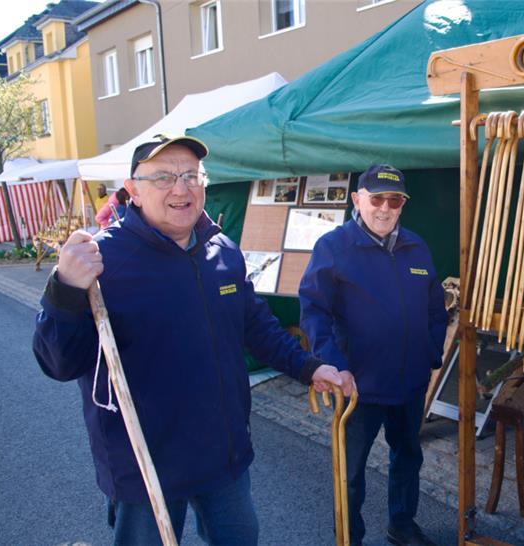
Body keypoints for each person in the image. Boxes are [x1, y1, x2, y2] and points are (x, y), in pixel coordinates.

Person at [33, 134, 349, 545]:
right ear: (132, 190)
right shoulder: (103, 261)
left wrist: (309, 367)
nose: (181, 189)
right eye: (163, 177)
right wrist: (65, 288)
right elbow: (58, 362)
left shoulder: (222, 251)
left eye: (191, 176)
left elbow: (256, 326)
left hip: (223, 454)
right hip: (144, 463)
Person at [299, 164, 448, 546]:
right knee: (350, 470)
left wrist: (431, 353)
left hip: (410, 382)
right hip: (358, 386)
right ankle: (349, 537)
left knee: (408, 457)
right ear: (357, 199)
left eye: (394, 200)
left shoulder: (416, 246)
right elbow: (314, 310)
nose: (385, 208)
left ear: (403, 204)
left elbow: (436, 308)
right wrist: (335, 366)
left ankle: (402, 525)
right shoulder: (334, 247)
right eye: (377, 198)